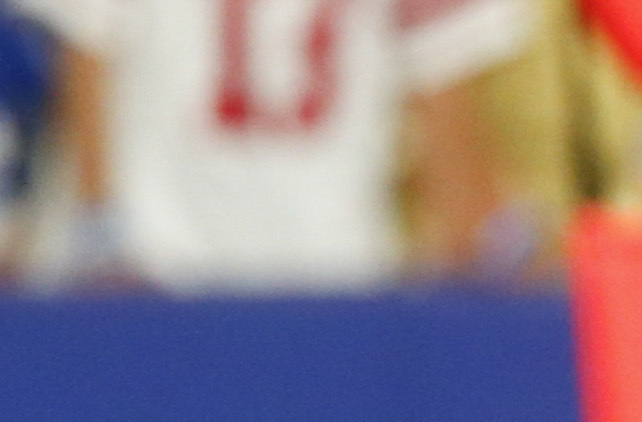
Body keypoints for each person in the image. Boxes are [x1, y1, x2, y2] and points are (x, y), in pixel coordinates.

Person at [27, 0, 521, 284]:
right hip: (328, 276)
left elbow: (85, 51)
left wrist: (98, 223)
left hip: (162, 265)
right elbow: (448, 105)